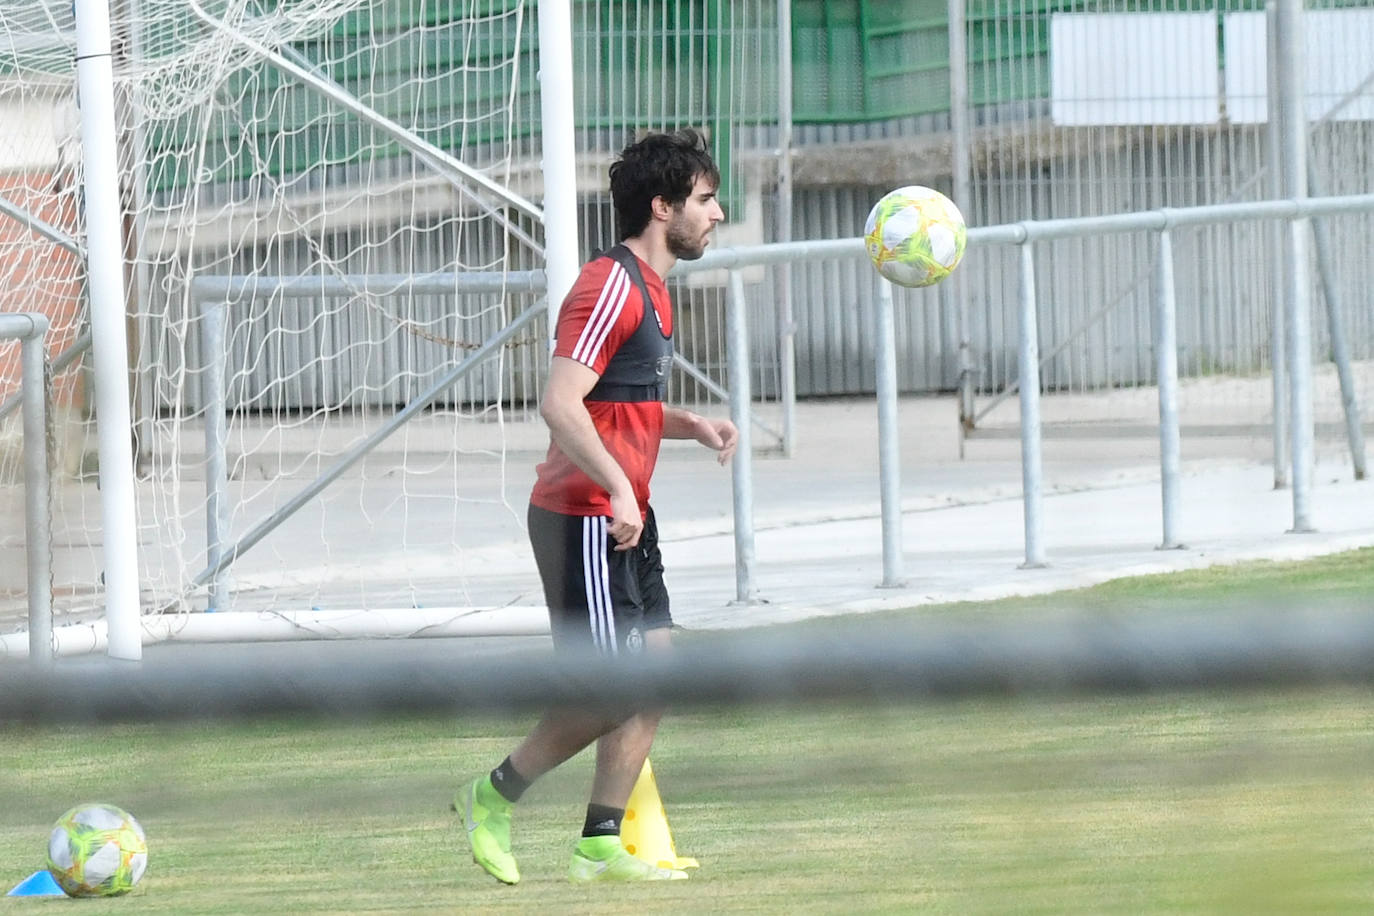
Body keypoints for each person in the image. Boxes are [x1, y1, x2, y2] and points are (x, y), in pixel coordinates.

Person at [458, 129, 737, 884]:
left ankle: (599, 845)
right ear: (662, 206)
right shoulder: (608, 283)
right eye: (706, 200)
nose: (717, 214)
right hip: (583, 514)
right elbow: (560, 402)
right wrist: (616, 487)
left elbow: (620, 404)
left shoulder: (655, 288)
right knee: (612, 691)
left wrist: (689, 425)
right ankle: (491, 795)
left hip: (624, 514)